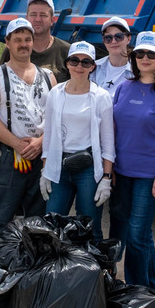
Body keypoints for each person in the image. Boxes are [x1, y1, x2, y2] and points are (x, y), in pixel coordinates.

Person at [109, 31, 155, 292]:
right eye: (140, 53)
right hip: (122, 172)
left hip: (149, 175)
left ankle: (135, 292)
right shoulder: (124, 87)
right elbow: (115, 129)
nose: (144, 58)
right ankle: (152, 289)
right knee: (139, 234)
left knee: (137, 235)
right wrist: (111, 169)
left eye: (151, 54)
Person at [0, 18, 53, 250]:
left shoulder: (48, 76)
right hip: (8, 158)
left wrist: (40, 142)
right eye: (17, 39)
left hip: (40, 158)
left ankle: (32, 274)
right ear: (7, 43)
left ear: (33, 42)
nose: (23, 44)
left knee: (38, 221)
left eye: (27, 39)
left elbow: (56, 117)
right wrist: (18, 146)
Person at [40, 41, 115, 243]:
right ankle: (55, 271)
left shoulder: (101, 97)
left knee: (89, 226)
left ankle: (97, 271)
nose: (79, 66)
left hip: (88, 169)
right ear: (67, 63)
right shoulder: (56, 93)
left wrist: (106, 178)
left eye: (85, 62)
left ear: (92, 67)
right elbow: (48, 135)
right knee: (52, 225)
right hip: (59, 167)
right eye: (74, 61)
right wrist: (45, 170)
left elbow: (108, 141)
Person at [0, 0, 71, 83]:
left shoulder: (66, 51)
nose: (37, 19)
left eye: (43, 15)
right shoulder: (13, 50)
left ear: (52, 20)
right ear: (27, 18)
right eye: (33, 15)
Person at [90, 17, 133, 92]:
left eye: (118, 37)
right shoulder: (94, 68)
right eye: (108, 38)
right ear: (103, 41)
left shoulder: (138, 69)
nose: (113, 41)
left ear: (128, 39)